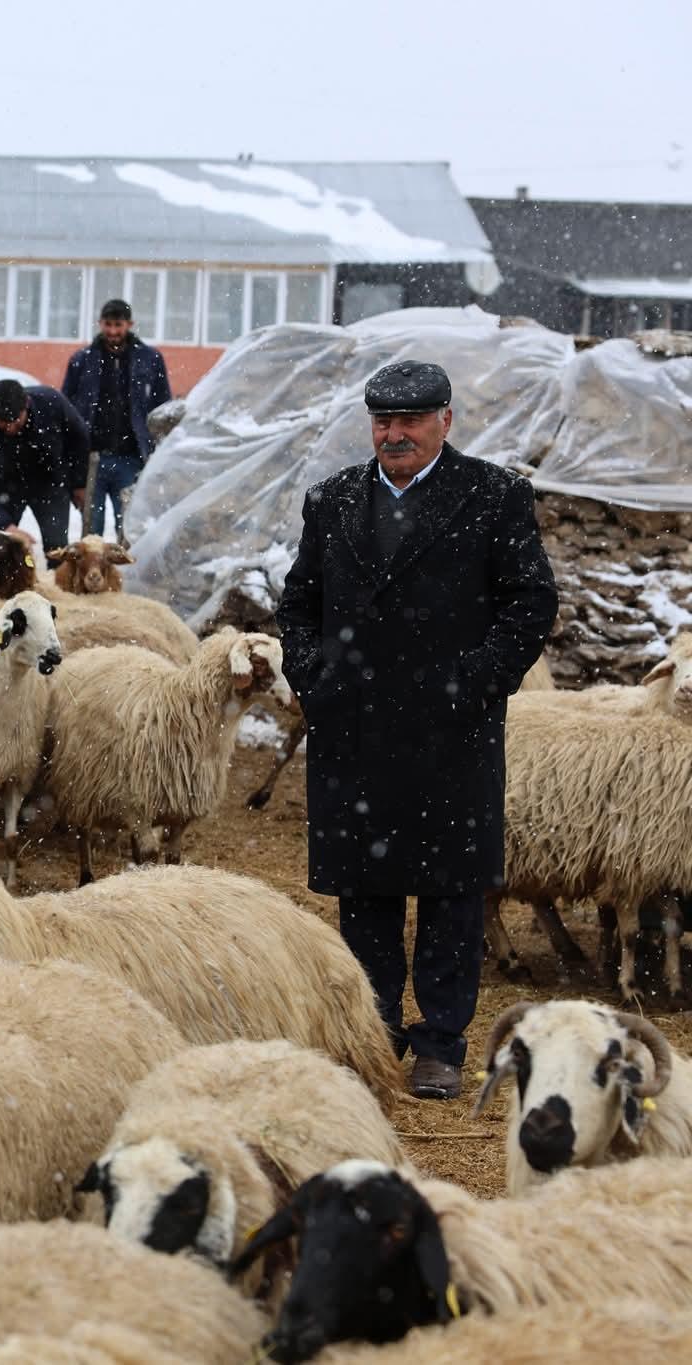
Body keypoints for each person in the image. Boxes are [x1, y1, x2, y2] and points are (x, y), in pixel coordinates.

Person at [277, 360, 556, 1101]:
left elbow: (530, 601)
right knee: (365, 893)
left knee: (450, 895)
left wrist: (474, 679)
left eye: (410, 420)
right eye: (382, 421)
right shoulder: (333, 501)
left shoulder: (494, 497)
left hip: (449, 734)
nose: (394, 434)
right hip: (355, 732)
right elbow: (298, 602)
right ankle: (375, 1032)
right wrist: (315, 677)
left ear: (445, 421)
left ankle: (439, 1042)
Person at [62, 299, 172, 545]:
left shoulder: (150, 359)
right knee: (92, 530)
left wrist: (159, 452)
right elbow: (66, 409)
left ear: (130, 325)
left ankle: (125, 580)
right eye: (108, 325)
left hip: (132, 457)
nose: (113, 331)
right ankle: (92, 581)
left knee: (130, 528)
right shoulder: (82, 360)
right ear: (100, 323)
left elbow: (163, 408)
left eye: (118, 325)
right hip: (93, 458)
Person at [0, 377, 90, 553]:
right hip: (4, 486)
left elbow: (80, 439)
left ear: (26, 406)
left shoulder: (51, 402)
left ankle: (54, 576)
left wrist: (79, 483)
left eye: (15, 421)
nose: (10, 428)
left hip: (49, 480)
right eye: (3, 423)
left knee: (57, 547)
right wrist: (7, 527)